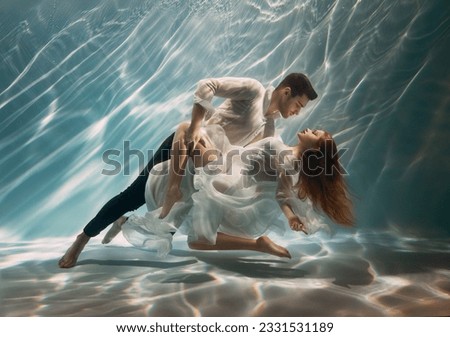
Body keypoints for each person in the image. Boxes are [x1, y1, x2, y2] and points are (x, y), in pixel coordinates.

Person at [59, 73, 318, 268]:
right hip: (185, 145)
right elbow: (208, 85)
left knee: (169, 223)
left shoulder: (270, 130)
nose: (297, 112)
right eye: (299, 104)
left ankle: (127, 222)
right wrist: (195, 126)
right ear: (286, 92)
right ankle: (83, 238)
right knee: (133, 196)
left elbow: (248, 163)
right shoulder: (253, 90)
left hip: (205, 170)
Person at [102, 125, 354, 258]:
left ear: (316, 150)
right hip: (227, 163)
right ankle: (150, 214)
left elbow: (282, 195)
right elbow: (280, 192)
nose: (311, 129)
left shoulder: (289, 162)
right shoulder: (285, 151)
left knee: (197, 240)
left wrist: (291, 218)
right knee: (190, 135)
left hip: (225, 175)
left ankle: (257, 245)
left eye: (316, 134)